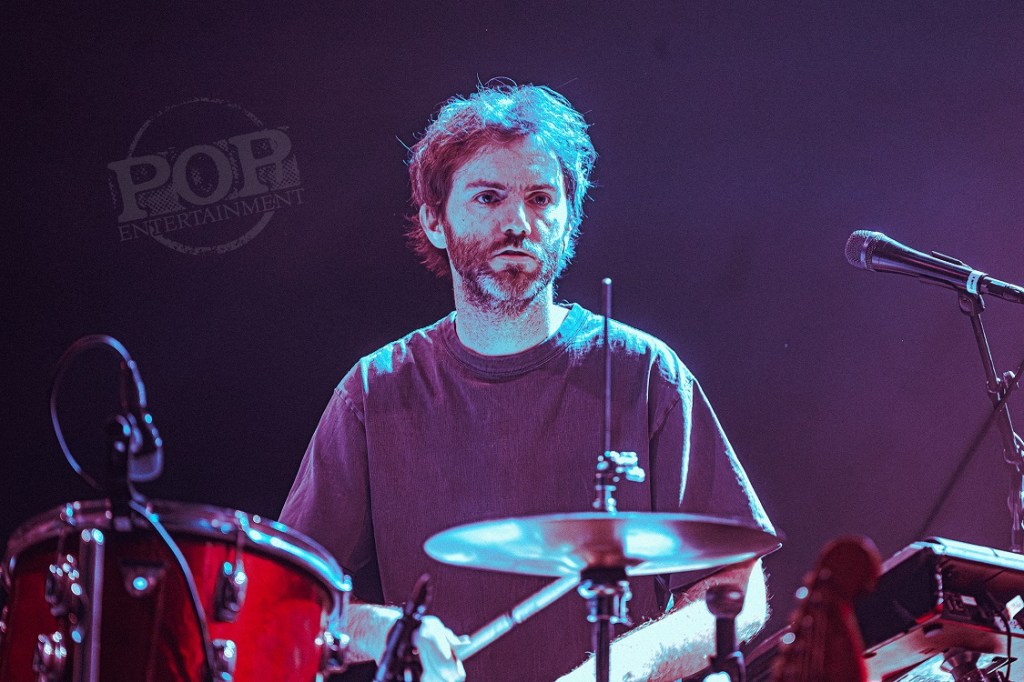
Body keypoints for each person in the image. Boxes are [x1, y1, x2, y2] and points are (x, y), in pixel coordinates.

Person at [281, 82, 775, 682]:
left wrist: (622, 668)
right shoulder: (375, 391)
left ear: (568, 220)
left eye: (540, 198)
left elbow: (739, 590)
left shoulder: (645, 373)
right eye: (488, 197)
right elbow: (285, 597)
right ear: (434, 219)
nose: (517, 222)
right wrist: (387, 629)